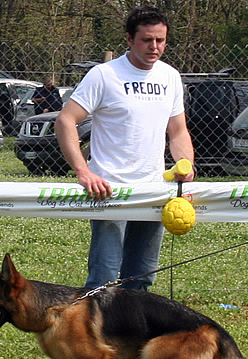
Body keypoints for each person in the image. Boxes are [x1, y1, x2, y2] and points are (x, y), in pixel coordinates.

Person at [54, 5, 195, 290]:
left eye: (160, 40)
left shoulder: (170, 77)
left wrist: (186, 166)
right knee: (103, 281)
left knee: (141, 279)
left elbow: (178, 131)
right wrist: (83, 171)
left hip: (154, 191)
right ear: (130, 39)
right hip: (108, 190)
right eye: (146, 40)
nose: (154, 47)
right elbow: (66, 122)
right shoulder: (104, 75)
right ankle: (97, 333)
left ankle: (132, 334)